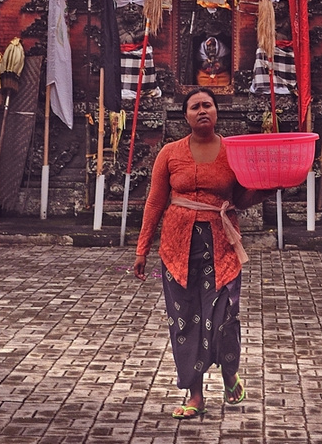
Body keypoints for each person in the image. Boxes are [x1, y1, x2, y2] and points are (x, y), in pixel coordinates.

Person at [134, 87, 267, 419]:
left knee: (225, 316)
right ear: (186, 116)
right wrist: (142, 249)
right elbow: (155, 202)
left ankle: (230, 373)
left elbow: (243, 198)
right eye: (195, 106)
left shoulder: (232, 152)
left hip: (221, 246)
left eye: (208, 105)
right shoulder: (170, 153)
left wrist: (268, 188)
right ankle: (195, 395)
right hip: (178, 249)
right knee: (185, 321)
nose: (202, 110)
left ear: (217, 111)